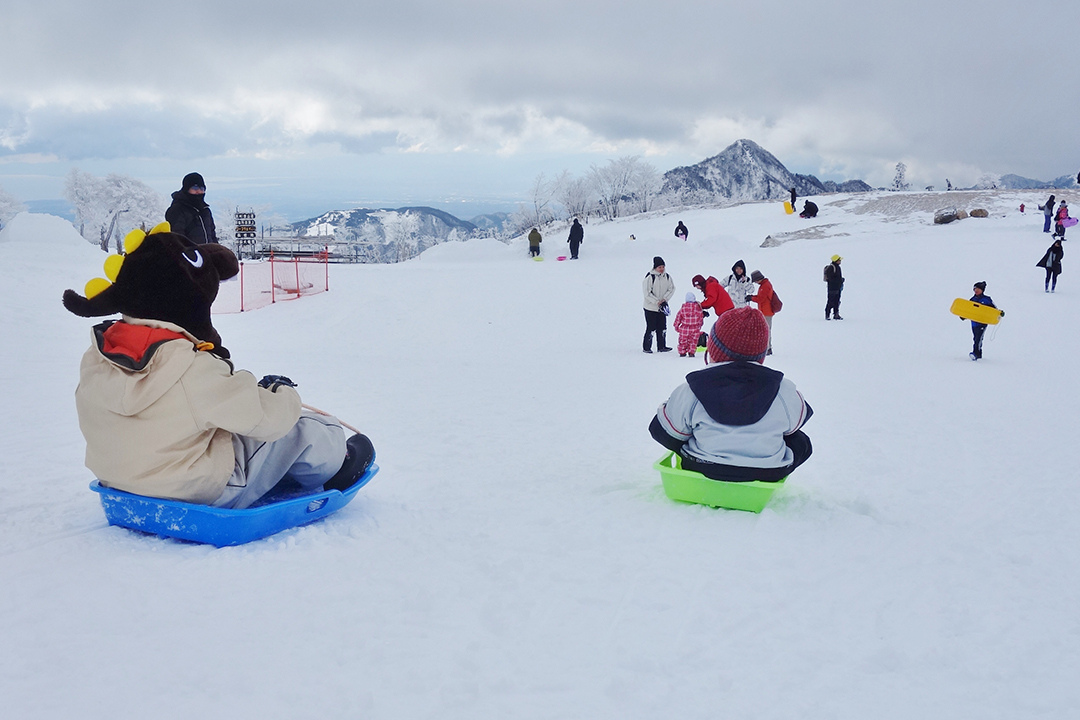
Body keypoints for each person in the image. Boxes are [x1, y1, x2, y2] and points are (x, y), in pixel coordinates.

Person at [61, 225, 374, 509]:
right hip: (198, 490)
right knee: (303, 429)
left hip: (119, 481)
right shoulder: (190, 366)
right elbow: (268, 420)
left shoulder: (97, 357)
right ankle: (334, 463)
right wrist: (282, 391)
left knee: (205, 425)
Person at [649, 307, 813, 482]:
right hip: (767, 472)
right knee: (799, 440)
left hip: (703, 467)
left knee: (679, 428)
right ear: (762, 353)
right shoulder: (782, 389)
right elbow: (797, 421)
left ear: (712, 349)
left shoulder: (693, 389)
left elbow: (660, 430)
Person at [165, 172, 218, 245]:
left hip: (208, 254)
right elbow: (177, 239)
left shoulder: (205, 210)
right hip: (190, 255)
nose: (199, 191)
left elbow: (212, 235)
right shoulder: (177, 210)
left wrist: (216, 251)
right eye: (195, 188)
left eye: (202, 188)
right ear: (187, 189)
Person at [643, 256, 675, 353]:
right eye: (659, 267)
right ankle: (646, 347)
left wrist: (664, 299)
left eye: (663, 267)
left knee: (662, 327)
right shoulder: (650, 277)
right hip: (650, 308)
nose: (662, 269)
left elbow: (672, 289)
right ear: (655, 267)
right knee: (651, 328)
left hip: (662, 308)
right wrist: (657, 301)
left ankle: (661, 346)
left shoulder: (667, 277)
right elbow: (647, 293)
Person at [748, 270, 777, 355]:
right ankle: (767, 348)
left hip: (766, 312)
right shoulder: (764, 284)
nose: (756, 283)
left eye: (756, 281)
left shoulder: (765, 286)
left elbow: (761, 299)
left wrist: (751, 298)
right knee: (766, 330)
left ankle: (768, 349)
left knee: (766, 330)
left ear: (758, 279)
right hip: (765, 311)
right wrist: (752, 297)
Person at [967, 281, 996, 361]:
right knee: (975, 338)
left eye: (978, 289)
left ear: (982, 290)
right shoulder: (972, 300)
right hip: (974, 323)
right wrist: (963, 316)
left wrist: (999, 313)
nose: (976, 290)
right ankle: (979, 355)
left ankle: (975, 354)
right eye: (975, 289)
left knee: (978, 338)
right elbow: (968, 310)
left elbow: (994, 309)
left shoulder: (987, 299)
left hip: (982, 322)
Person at [673, 292, 704, 358]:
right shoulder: (698, 308)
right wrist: (699, 326)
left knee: (683, 340)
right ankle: (691, 352)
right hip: (695, 328)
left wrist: (676, 326)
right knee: (693, 341)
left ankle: (682, 352)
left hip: (684, 328)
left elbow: (678, 317)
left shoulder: (683, 308)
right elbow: (701, 318)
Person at [824, 255, 844, 320]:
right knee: (830, 301)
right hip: (832, 288)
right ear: (836, 260)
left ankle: (836, 314)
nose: (840, 261)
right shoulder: (831, 268)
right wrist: (839, 280)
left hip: (837, 287)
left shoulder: (837, 267)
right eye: (839, 260)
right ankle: (827, 315)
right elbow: (831, 278)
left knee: (837, 301)